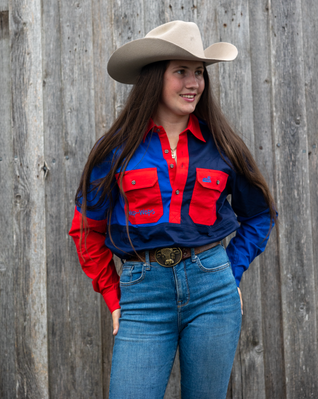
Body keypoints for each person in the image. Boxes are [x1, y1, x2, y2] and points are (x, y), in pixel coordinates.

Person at [69, 20, 277, 399]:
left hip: (212, 292)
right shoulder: (116, 149)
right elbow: (86, 230)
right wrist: (114, 297)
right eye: (181, 71)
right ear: (153, 78)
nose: (194, 82)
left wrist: (231, 270)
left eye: (198, 73)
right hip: (143, 298)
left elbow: (260, 214)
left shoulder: (223, 146)